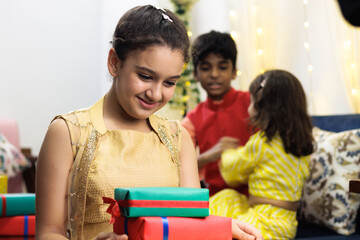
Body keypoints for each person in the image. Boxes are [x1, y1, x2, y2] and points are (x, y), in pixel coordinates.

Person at [35, 5, 263, 240]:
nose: (155, 94)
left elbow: (191, 225)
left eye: (169, 83)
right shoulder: (68, 132)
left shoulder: (178, 137)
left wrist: (221, 227)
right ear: (114, 62)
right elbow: (48, 233)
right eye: (145, 76)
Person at [209, 69, 314, 239]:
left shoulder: (262, 142)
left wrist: (227, 153)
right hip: (287, 223)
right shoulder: (304, 143)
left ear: (264, 109)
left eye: (251, 102)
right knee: (229, 197)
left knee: (224, 216)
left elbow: (232, 172)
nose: (249, 108)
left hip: (264, 220)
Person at [181, 30, 252, 196]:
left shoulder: (253, 103)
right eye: (206, 68)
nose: (214, 74)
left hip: (257, 196)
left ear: (234, 71)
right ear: (195, 74)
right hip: (215, 200)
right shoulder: (191, 120)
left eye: (222, 67)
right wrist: (208, 156)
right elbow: (180, 170)